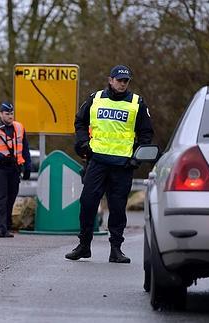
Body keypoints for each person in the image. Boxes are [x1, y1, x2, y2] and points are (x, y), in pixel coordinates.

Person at [65, 65, 153, 263]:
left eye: (126, 81)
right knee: (87, 204)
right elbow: (79, 122)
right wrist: (82, 145)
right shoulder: (95, 99)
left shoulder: (137, 103)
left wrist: (136, 158)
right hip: (97, 162)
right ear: (110, 80)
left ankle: (116, 249)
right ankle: (84, 245)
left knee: (118, 208)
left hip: (122, 166)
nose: (122, 84)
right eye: (119, 80)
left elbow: (146, 134)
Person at [0, 102, 31, 238]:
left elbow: (25, 148)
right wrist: (1, 157)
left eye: (11, 113)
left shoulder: (19, 128)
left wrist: (28, 166)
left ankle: (6, 227)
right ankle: (0, 227)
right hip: (0, 169)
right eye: (7, 114)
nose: (10, 116)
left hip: (15, 169)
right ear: (1, 114)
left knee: (11, 198)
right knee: (0, 198)